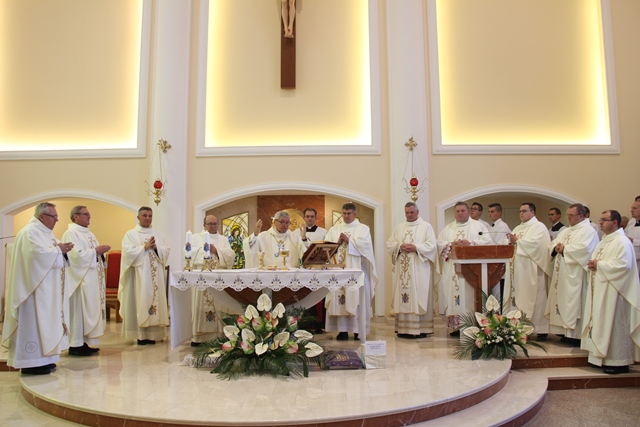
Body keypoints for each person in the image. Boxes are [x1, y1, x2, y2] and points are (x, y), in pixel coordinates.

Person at [2, 202, 73, 375]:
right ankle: (31, 362)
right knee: (33, 324)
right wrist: (58, 250)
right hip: (32, 291)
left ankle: (44, 360)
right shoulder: (29, 232)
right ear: (42, 216)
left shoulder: (46, 233)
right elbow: (35, 256)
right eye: (53, 216)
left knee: (47, 324)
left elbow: (52, 252)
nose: (56, 220)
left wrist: (62, 251)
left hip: (47, 291)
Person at [582, 210, 640, 374]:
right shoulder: (604, 241)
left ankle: (619, 362)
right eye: (600, 220)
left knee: (615, 325)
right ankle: (599, 357)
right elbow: (595, 260)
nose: (600, 223)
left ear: (615, 222)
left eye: (604, 220)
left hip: (616, 293)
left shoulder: (622, 241)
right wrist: (592, 264)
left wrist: (598, 265)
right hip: (601, 290)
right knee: (601, 322)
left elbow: (623, 265)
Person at [545, 203, 598, 346]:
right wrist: (555, 247)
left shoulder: (588, 231)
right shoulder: (566, 231)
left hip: (576, 275)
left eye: (571, 215)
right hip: (562, 274)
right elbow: (553, 244)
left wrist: (565, 249)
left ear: (581, 215)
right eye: (567, 215)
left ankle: (576, 335)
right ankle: (564, 333)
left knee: (574, 303)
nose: (568, 218)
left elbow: (585, 249)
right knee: (561, 300)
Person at [436, 201, 491, 336]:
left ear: (468, 212)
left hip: (472, 270)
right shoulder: (448, 228)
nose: (460, 213)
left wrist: (470, 243)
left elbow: (488, 242)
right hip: (452, 270)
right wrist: (451, 244)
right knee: (453, 296)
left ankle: (472, 326)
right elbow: (439, 243)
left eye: (463, 211)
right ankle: (457, 327)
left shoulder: (478, 226)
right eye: (457, 211)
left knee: (469, 296)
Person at [324, 203, 378, 340]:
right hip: (338, 272)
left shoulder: (363, 229)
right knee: (339, 300)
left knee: (357, 298)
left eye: (349, 213)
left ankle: (357, 330)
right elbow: (326, 248)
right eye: (344, 213)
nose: (346, 216)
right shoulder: (334, 229)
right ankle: (342, 330)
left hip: (356, 271)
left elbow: (366, 247)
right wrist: (337, 243)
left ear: (354, 214)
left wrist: (350, 241)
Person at [62, 206, 111, 356]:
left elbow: (92, 254)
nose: (89, 217)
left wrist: (100, 253)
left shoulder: (89, 233)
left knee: (88, 311)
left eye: (89, 214)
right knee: (79, 312)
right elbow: (75, 256)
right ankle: (75, 345)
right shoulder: (71, 233)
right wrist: (96, 251)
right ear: (76, 216)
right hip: (80, 282)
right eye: (86, 214)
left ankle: (83, 342)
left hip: (91, 280)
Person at [119, 206, 170, 345]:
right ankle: (141, 335)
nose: (148, 218)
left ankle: (153, 335)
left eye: (150, 216)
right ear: (138, 217)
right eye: (144, 215)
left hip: (155, 276)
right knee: (140, 300)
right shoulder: (131, 234)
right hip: (139, 276)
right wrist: (144, 247)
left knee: (154, 300)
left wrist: (156, 248)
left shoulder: (157, 234)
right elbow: (127, 253)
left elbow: (166, 250)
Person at [386, 202, 436, 338]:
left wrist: (416, 248)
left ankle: (421, 329)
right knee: (404, 296)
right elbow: (390, 244)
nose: (409, 215)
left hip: (419, 269)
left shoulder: (426, 227)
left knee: (419, 295)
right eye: (407, 212)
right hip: (403, 270)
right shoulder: (399, 227)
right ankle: (403, 329)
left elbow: (432, 245)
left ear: (417, 212)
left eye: (412, 212)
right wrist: (399, 246)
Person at [505, 203, 552, 341]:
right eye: (520, 211)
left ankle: (540, 329)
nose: (521, 213)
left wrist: (517, 241)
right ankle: (518, 328)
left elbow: (537, 245)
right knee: (517, 297)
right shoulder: (518, 228)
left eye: (524, 211)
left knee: (537, 298)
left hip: (532, 270)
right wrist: (509, 241)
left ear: (532, 212)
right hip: (518, 270)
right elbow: (510, 243)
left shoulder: (539, 227)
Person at [190, 215, 235, 346]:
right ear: (204, 225)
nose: (213, 226)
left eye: (215, 224)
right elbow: (188, 253)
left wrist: (217, 251)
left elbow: (231, 255)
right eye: (210, 224)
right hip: (202, 279)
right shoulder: (195, 238)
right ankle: (199, 338)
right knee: (201, 305)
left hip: (218, 280)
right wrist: (204, 250)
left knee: (219, 304)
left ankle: (219, 336)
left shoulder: (223, 239)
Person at [487, 203, 511, 304]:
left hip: (500, 262)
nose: (490, 214)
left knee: (500, 290)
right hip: (493, 260)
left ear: (499, 213)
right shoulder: (492, 226)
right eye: (489, 212)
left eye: (492, 212)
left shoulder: (502, 226)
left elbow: (498, 244)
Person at [624, 199, 640, 275]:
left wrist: (633, 241)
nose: (631, 210)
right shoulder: (631, 222)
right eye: (631, 208)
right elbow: (625, 234)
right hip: (631, 258)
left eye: (635, 208)